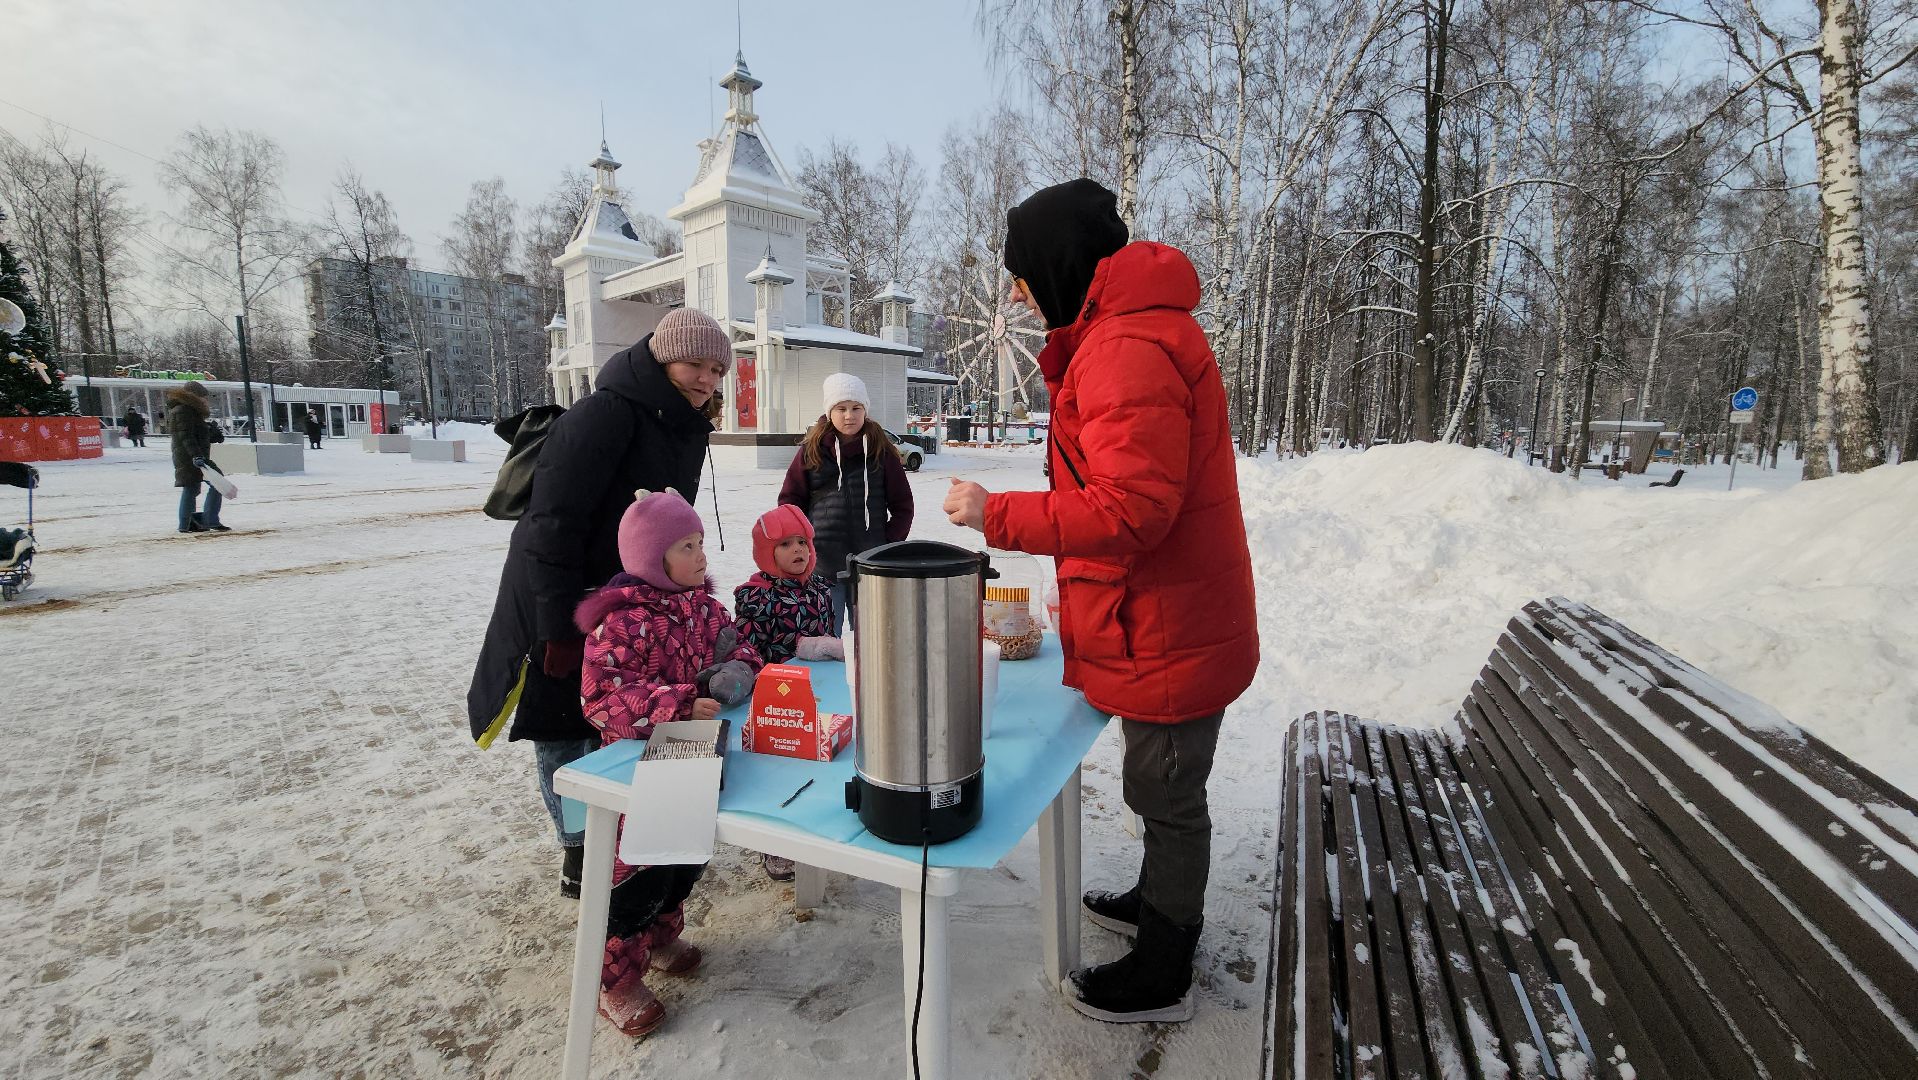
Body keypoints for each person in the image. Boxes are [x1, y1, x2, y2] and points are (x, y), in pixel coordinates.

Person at [942, 178, 1258, 1025]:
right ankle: (1159, 904)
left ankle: (1165, 963)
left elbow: (1132, 510)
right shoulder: (1126, 332)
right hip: (1168, 614)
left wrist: (996, 514)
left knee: (1166, 791)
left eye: (1020, 273)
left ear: (1058, 263)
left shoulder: (1124, 346)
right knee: (1158, 783)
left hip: (1173, 624)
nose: (1015, 290)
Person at [467, 307, 731, 900]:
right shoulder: (604, 414)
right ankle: (580, 851)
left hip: (631, 598)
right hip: (562, 588)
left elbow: (663, 520)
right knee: (563, 723)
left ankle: (633, 837)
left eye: (718, 370)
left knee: (628, 713)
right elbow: (551, 523)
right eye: (695, 365)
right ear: (663, 357)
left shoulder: (687, 423)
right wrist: (558, 623)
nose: (707, 381)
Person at [574, 487, 761, 1038]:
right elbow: (601, 699)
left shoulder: (705, 607)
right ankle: (614, 979)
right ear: (652, 557)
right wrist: (675, 702)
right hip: (637, 773)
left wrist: (739, 671)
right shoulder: (622, 623)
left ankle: (661, 937)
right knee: (637, 874)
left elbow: (739, 647)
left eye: (700, 542)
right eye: (687, 545)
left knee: (686, 856)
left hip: (695, 759)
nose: (702, 555)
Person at [730, 503, 842, 882]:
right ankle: (775, 841)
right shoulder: (754, 597)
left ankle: (816, 820)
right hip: (775, 696)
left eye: (802, 543)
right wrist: (800, 646)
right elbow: (749, 650)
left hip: (823, 689)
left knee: (816, 757)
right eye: (786, 545)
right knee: (778, 766)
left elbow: (830, 637)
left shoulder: (822, 590)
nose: (798, 551)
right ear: (766, 553)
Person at [777, 373, 914, 633]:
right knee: (827, 637)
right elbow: (790, 503)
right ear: (830, 411)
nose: (849, 415)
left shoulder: (881, 451)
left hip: (871, 566)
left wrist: (887, 544)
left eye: (856, 408)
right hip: (824, 566)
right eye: (841, 408)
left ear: (865, 411)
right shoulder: (811, 450)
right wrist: (804, 545)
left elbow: (902, 505)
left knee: (873, 638)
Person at [167, 381, 228, 534]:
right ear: (193, 396)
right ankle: (192, 522)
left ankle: (201, 521)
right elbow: (186, 436)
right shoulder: (182, 410)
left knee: (203, 486)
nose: (205, 401)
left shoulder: (191, 411)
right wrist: (196, 456)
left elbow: (195, 434)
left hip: (195, 455)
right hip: (189, 457)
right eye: (203, 397)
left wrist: (211, 434)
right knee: (196, 487)